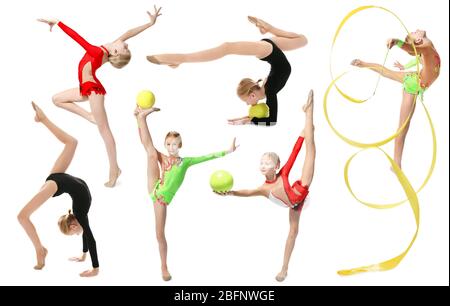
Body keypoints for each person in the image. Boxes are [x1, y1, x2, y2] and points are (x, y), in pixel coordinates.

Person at [37, 5, 162, 186]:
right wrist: (149, 24)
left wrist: (58, 23)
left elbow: (77, 38)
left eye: (125, 48)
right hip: (85, 87)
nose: (126, 43)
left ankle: (114, 170)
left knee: (104, 131)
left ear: (116, 52)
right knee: (57, 99)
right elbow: (129, 33)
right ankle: (90, 116)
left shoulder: (98, 51)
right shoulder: (110, 48)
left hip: (93, 89)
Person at [216, 90, 315, 281]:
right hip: (294, 204)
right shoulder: (264, 188)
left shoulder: (283, 173)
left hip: (300, 188)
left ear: (276, 166)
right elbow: (247, 192)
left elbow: (295, 153)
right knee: (292, 233)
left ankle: (309, 113)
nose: (263, 166)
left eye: (268, 163)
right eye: (262, 163)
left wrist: (302, 137)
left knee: (311, 148)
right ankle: (284, 268)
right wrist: (231, 193)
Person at [134, 106, 238, 281]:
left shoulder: (186, 162)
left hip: (162, 199)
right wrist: (138, 120)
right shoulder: (163, 157)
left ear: (180, 145)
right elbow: (146, 144)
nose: (171, 147)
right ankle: (141, 118)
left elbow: (207, 156)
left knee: (159, 234)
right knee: (150, 152)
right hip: (155, 188)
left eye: (174, 144)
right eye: (168, 144)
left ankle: (163, 266)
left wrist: (227, 151)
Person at [147, 16, 307, 126]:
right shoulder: (270, 91)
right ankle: (180, 58)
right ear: (252, 95)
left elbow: (267, 117)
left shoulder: (266, 87)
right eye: (246, 101)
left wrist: (245, 118)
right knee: (227, 47)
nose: (247, 104)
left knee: (303, 40)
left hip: (271, 48)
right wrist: (247, 121)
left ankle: (269, 28)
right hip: (268, 50)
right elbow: (272, 121)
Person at [18, 102, 100, 277]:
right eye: (76, 234)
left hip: (56, 182)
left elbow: (88, 235)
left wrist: (89, 260)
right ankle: (43, 118)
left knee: (22, 216)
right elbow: (89, 236)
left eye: (74, 234)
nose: (79, 233)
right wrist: (93, 265)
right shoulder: (80, 213)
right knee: (72, 142)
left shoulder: (80, 213)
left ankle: (40, 250)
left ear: (72, 225)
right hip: (57, 178)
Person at [351, 29, 440, 168]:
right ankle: (396, 164)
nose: (415, 30)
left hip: (417, 78)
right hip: (414, 84)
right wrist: (398, 42)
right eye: (413, 33)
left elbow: (416, 55)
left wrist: (405, 64)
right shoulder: (427, 48)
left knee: (388, 74)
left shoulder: (427, 51)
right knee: (403, 127)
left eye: (413, 31)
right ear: (418, 41)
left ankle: (364, 64)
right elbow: (411, 48)